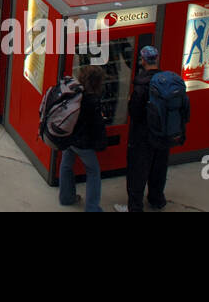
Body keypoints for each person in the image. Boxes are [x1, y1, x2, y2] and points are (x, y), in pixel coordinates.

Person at [114, 45, 177, 212]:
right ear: (157, 59)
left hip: (143, 136)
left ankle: (134, 207)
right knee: (159, 168)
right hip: (164, 134)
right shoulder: (168, 82)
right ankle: (157, 199)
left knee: (138, 171)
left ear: (142, 60)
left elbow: (135, 112)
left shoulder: (141, 85)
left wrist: (129, 101)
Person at [59, 65, 107, 212]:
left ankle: (66, 197)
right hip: (84, 144)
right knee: (93, 172)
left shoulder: (74, 93)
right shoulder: (93, 102)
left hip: (69, 137)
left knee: (66, 165)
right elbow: (97, 127)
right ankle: (92, 208)